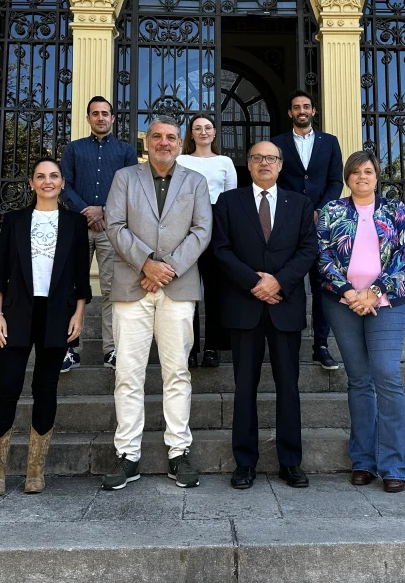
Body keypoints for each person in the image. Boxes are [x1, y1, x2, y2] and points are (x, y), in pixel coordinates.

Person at [101, 115, 213, 490]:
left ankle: (178, 452)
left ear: (180, 143)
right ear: (146, 142)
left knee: (177, 372)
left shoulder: (195, 182)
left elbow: (202, 230)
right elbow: (114, 225)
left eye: (171, 137)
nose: (164, 143)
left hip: (177, 289)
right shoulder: (125, 178)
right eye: (157, 137)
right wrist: (146, 263)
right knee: (128, 374)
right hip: (132, 288)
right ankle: (127, 455)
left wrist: (167, 269)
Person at [213, 140, 318, 490]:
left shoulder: (300, 204)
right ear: (248, 162)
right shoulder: (229, 202)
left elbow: (308, 250)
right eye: (257, 157)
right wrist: (254, 282)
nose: (264, 163)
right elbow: (221, 250)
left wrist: (280, 282)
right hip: (244, 307)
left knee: (289, 386)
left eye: (271, 158)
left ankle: (291, 461)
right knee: (245, 388)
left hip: (284, 307)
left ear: (281, 164)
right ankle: (245, 462)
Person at [0, 156, 92, 497]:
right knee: (8, 387)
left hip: (57, 314)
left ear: (62, 183)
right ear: (31, 183)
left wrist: (79, 314)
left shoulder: (75, 224)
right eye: (41, 176)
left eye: (54, 176)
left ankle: (35, 470)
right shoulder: (14, 220)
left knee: (46, 390)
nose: (48, 181)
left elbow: (79, 276)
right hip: (16, 312)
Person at [316, 150, 405, 493]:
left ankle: (394, 465)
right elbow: (323, 257)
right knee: (359, 380)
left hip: (386, 303)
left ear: (377, 176)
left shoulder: (395, 210)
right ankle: (363, 461)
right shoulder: (332, 211)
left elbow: (404, 255)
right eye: (356, 172)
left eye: (368, 171)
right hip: (342, 304)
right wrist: (350, 294)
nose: (362, 177)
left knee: (386, 375)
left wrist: (373, 292)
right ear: (347, 177)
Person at [59, 95, 138, 372]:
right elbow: (64, 186)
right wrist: (87, 211)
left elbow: (130, 189)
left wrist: (103, 211)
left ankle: (111, 350)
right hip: (77, 229)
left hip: (110, 229)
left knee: (110, 290)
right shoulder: (74, 150)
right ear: (88, 118)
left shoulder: (126, 151)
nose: (101, 118)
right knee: (70, 288)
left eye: (106, 113)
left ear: (113, 118)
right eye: (95, 114)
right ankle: (69, 349)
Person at [271, 90, 344, 370]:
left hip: (321, 224)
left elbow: (336, 181)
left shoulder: (330, 142)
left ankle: (321, 345)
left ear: (314, 111)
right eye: (296, 107)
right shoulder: (278, 143)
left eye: (306, 106)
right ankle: (283, 342)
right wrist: (296, 210)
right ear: (290, 113)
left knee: (321, 286)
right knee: (286, 281)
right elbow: (274, 179)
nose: (301, 110)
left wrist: (319, 210)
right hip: (288, 222)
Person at [176, 112, 237, 368]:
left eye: (208, 128)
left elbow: (231, 199)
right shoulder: (179, 160)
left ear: (214, 133)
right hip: (184, 226)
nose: (203, 132)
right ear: (191, 133)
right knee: (188, 290)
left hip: (216, 225)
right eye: (197, 128)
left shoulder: (225, 161)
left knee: (215, 290)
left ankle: (212, 347)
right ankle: (189, 347)